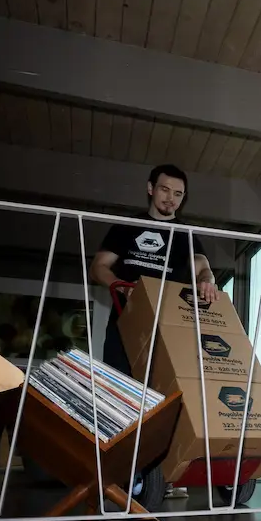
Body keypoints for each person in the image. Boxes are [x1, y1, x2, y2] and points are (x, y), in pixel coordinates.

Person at [90, 163, 221, 499]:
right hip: (127, 327)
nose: (171, 199)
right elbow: (99, 266)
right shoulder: (127, 227)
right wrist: (121, 284)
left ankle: (160, 474)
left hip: (171, 331)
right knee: (123, 399)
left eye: (178, 194)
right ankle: (122, 475)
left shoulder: (186, 235)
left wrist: (207, 282)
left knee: (166, 402)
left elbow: (203, 267)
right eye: (165, 190)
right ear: (151, 189)